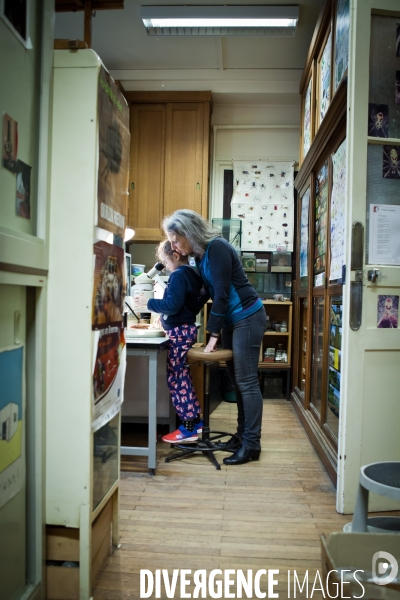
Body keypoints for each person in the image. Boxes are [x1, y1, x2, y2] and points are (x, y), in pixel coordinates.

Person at [162, 209, 267, 466]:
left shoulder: (217, 247)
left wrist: (213, 334)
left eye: (175, 239)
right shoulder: (200, 256)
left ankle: (252, 444)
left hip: (247, 316)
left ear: (189, 233)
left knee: (247, 381)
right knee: (236, 380)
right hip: (233, 319)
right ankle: (241, 437)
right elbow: (207, 296)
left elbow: (221, 294)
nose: (173, 245)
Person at [147, 239, 205, 443]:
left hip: (179, 332)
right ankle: (195, 422)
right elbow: (193, 303)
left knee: (177, 379)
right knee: (182, 377)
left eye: (166, 261)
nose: (167, 266)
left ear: (176, 256)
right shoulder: (192, 274)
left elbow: (171, 305)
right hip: (184, 330)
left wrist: (148, 303)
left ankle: (188, 426)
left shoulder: (179, 275)